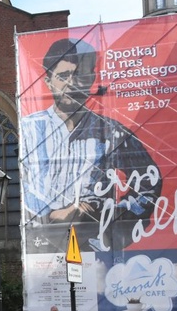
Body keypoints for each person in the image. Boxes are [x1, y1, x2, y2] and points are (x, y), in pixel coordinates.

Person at [20, 37, 162, 251]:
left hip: (95, 248)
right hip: (41, 247)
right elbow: (21, 183)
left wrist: (109, 217)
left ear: (92, 79)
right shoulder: (28, 129)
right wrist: (49, 215)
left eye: (80, 76)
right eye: (64, 76)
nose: (72, 83)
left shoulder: (112, 131)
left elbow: (150, 181)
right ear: (48, 81)